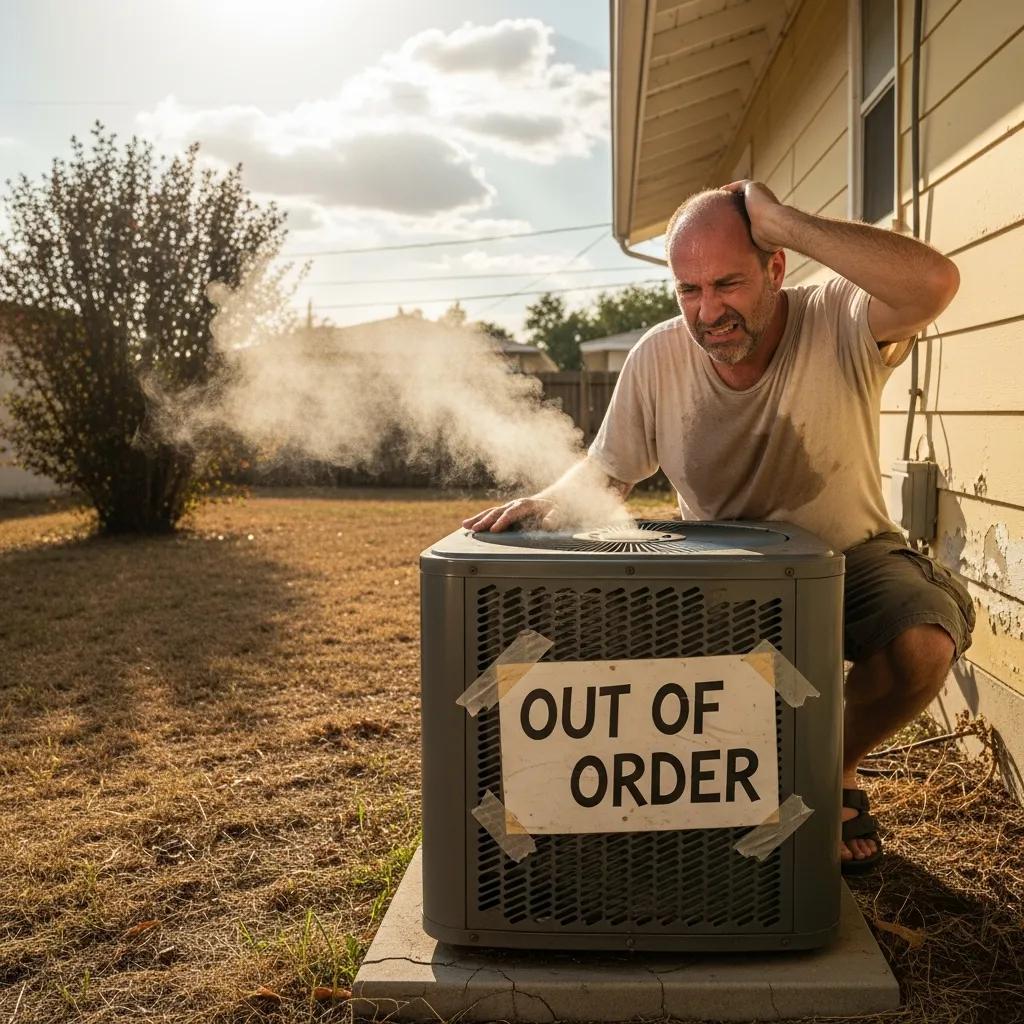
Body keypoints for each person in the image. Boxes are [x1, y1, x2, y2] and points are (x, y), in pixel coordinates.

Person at [462, 180, 976, 873]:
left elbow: (934, 283)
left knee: (922, 642)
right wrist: (547, 502)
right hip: (722, 567)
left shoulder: (838, 316)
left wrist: (783, 220)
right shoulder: (656, 356)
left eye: (728, 283)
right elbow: (607, 471)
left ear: (775, 267)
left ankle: (832, 771)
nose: (709, 312)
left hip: (848, 554)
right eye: (689, 290)